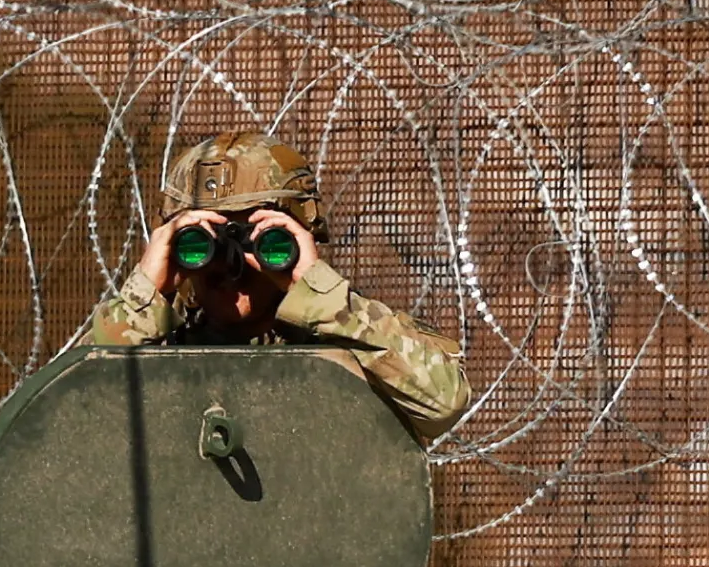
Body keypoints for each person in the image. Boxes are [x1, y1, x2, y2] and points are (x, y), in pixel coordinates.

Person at [87, 129, 470, 444]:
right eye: (203, 242)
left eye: (263, 240)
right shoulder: (146, 359)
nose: (234, 264)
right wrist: (142, 297)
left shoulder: (355, 351)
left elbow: (444, 403)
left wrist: (323, 295)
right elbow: (59, 422)